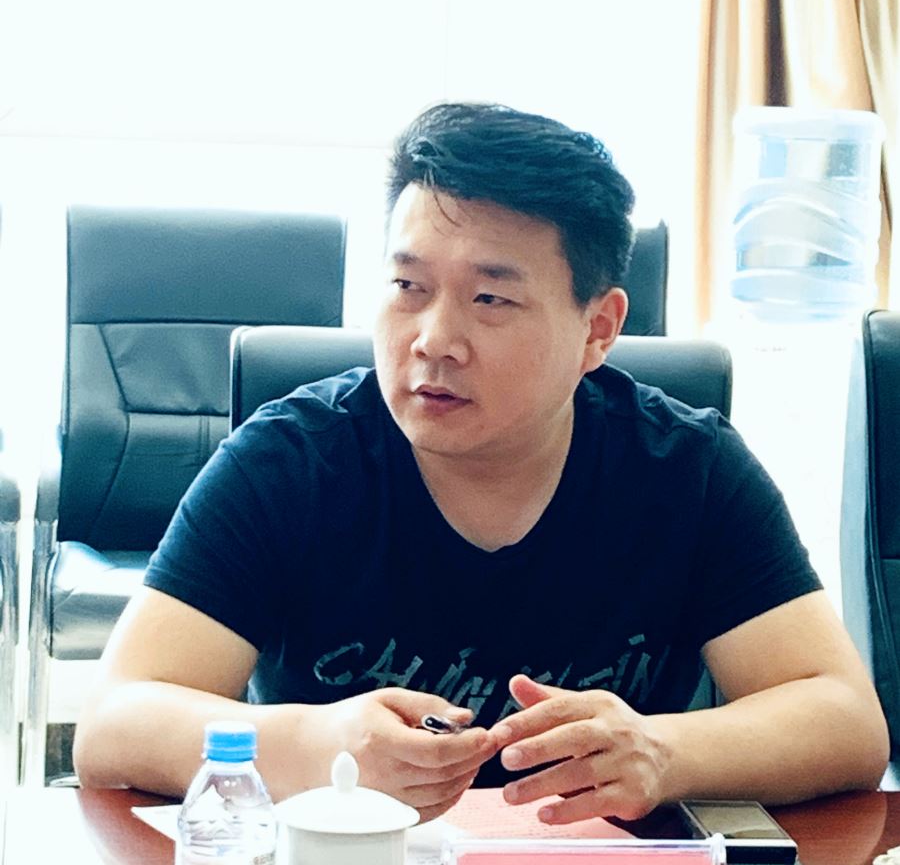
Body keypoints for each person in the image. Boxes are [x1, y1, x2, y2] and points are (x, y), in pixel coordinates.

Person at [74, 102, 889, 823]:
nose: (433, 340)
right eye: (408, 286)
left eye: (490, 298)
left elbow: (845, 720)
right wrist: (314, 744)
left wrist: (661, 752)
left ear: (598, 329)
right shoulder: (291, 462)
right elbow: (114, 723)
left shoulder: (686, 469)